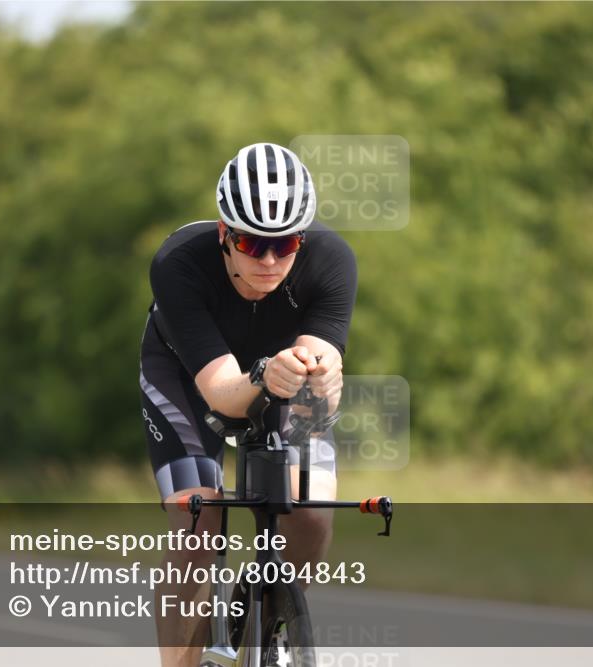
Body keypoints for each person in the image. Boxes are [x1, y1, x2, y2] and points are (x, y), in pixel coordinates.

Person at [139, 142, 357, 666]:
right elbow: (223, 397)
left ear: (301, 239)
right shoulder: (178, 263)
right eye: (248, 242)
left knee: (311, 517)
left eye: (284, 246)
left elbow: (322, 379)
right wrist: (266, 375)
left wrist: (322, 379)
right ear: (223, 234)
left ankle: (266, 621)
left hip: (280, 375)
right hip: (188, 376)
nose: (266, 260)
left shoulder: (332, 260)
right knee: (199, 525)